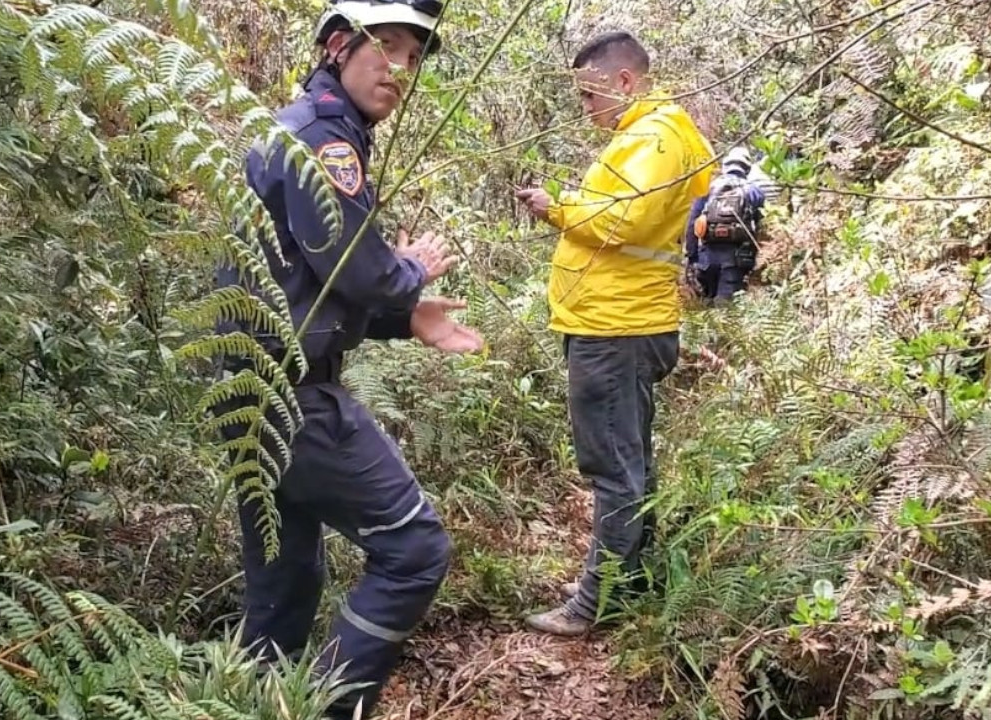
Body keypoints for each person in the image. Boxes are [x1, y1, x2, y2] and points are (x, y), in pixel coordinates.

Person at [213, 1, 483, 718]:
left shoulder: (300, 126)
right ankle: (328, 707)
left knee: (284, 583)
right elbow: (357, 270)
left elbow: (304, 284)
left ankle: (259, 705)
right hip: (294, 400)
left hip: (250, 390)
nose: (401, 70)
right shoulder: (323, 141)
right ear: (338, 46)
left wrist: (406, 319)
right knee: (415, 550)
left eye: (413, 58)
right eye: (386, 47)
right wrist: (410, 272)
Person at [513, 30, 714, 637]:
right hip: (620, 322)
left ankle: (596, 602)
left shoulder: (655, 138)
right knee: (629, 460)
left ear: (624, 81)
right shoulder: (648, 135)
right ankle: (626, 580)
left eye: (588, 94)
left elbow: (623, 219)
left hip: (617, 327)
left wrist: (557, 209)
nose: (585, 108)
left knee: (613, 467)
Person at [684, 146, 770, 303]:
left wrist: (692, 257)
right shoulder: (753, 191)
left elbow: (692, 223)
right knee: (726, 308)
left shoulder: (707, 189)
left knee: (708, 304)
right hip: (736, 260)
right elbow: (762, 226)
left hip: (706, 258)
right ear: (747, 169)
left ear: (725, 166)